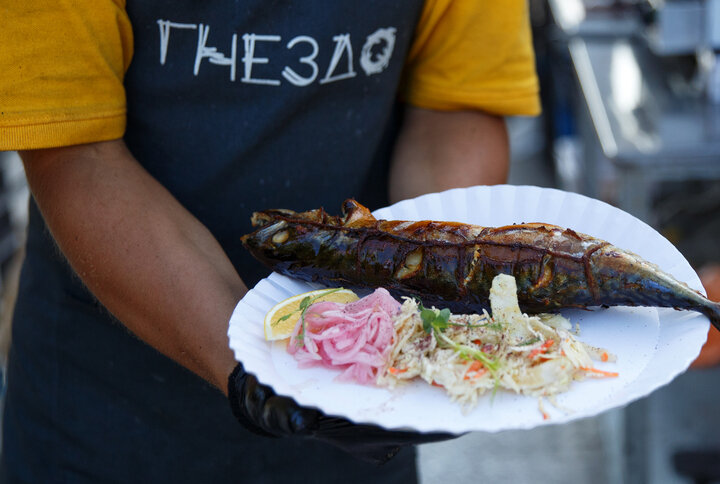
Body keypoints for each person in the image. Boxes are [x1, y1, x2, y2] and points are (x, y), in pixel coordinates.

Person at [0, 1, 540, 482]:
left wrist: (441, 308)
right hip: (106, 405)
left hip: (362, 374)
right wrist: (257, 370)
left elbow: (453, 107)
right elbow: (77, 153)